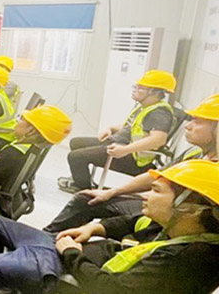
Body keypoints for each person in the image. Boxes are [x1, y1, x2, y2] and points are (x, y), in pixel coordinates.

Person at [0, 160, 219, 294]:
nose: (145, 196)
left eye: (155, 191)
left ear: (189, 208)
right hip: (74, 252)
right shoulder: (179, 226)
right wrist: (92, 230)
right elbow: (132, 221)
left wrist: (71, 253)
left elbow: (111, 290)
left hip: (67, 271)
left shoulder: (188, 259)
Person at [45, 94, 219, 233]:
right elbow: (156, 177)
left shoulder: (214, 170)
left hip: (167, 212)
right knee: (86, 198)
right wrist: (113, 192)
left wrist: (125, 150)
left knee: (78, 161)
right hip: (157, 202)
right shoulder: (194, 153)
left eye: (198, 121)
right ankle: (48, 237)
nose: (188, 126)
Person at [58, 70, 176, 193]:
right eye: (135, 86)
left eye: (140, 88)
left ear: (155, 92)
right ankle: (80, 178)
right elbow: (132, 126)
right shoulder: (146, 107)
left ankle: (82, 188)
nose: (134, 90)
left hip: (130, 157)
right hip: (118, 143)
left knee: (76, 157)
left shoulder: (159, 113)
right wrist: (110, 128)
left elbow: (158, 139)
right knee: (76, 142)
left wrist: (125, 150)